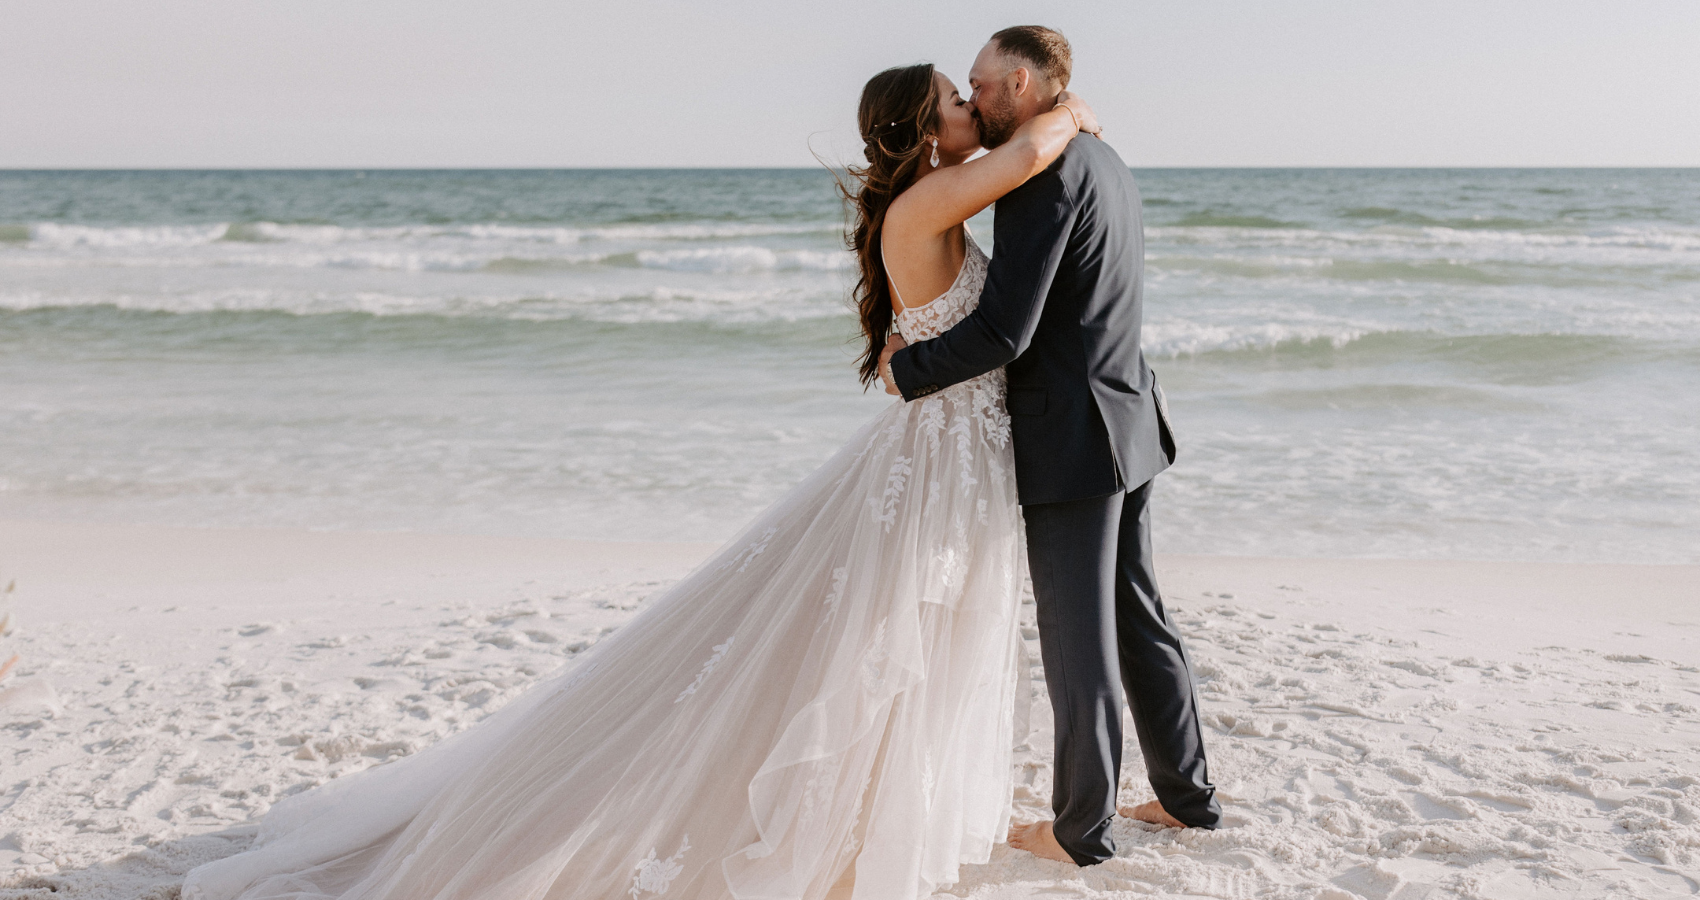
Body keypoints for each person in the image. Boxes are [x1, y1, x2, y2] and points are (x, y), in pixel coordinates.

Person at [182, 57, 1100, 900]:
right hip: (941, 456)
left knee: (914, 637)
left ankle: (882, 820)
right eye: (953, 96)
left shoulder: (933, 195)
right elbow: (1033, 145)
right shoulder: (927, 204)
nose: (969, 103)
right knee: (889, 638)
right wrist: (1068, 105)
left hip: (952, 446)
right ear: (920, 129)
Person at [880, 26, 1222, 867]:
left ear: (1025, 86)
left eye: (982, 85)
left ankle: (1080, 831)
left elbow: (1004, 331)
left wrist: (907, 370)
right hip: (1129, 419)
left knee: (1079, 638)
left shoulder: (1036, 181)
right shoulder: (1105, 158)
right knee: (1138, 615)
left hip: (1072, 438)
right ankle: (1186, 799)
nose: (976, 97)